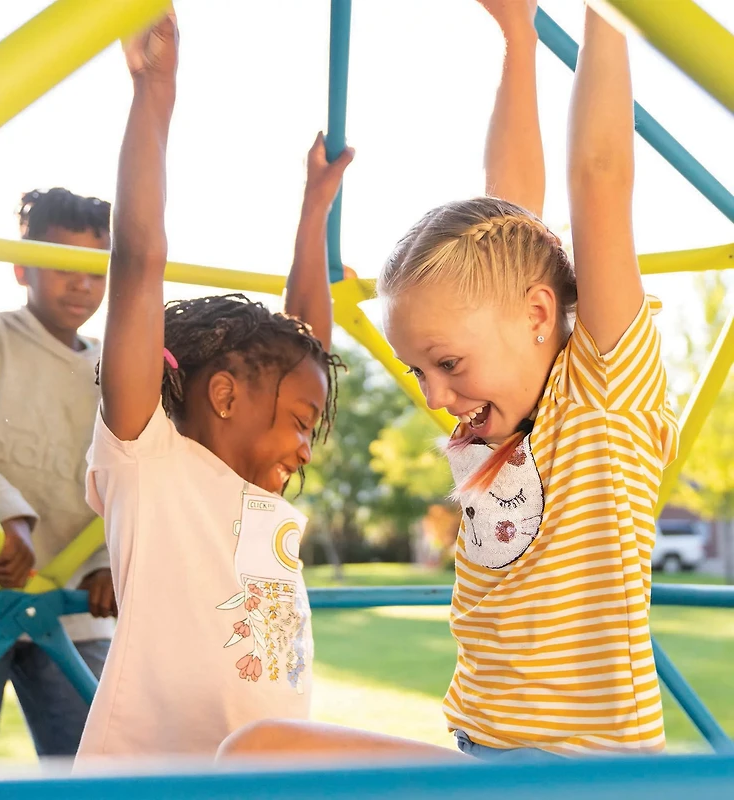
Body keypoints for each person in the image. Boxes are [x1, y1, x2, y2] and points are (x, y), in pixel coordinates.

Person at [217, 0, 678, 763]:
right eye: (417, 370)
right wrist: (518, 38)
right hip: (479, 750)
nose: (433, 396)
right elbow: (510, 209)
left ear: (538, 313)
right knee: (257, 750)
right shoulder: (493, 419)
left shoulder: (602, 389)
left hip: (577, 771)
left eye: (449, 363)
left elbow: (599, 178)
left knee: (258, 753)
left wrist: (606, 15)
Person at [75, 8, 351, 761]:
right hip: (150, 772)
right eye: (299, 422)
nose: (305, 443)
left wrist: (313, 213)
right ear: (225, 396)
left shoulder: (260, 495)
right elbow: (139, 260)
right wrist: (155, 94)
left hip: (256, 771)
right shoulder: (149, 459)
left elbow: (309, 348)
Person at [0, 188, 116, 758]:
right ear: (21, 267)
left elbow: (130, 473)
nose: (81, 283)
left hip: (72, 607)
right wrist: (8, 519)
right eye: (63, 265)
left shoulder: (115, 368)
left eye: (96, 268)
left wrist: (111, 560)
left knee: (102, 767)